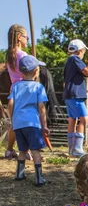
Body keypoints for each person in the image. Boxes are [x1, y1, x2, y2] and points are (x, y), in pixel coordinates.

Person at [8, 55, 48, 186]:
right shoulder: (38, 87)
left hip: (18, 123)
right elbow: (41, 108)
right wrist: (44, 125)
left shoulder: (16, 87)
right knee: (35, 150)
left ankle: (19, 174)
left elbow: (10, 103)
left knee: (22, 150)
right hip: (32, 123)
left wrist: (12, 118)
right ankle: (39, 178)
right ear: (36, 71)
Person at [63, 39, 88, 157]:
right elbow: (87, 72)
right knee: (84, 119)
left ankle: (71, 148)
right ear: (80, 50)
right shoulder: (75, 59)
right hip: (75, 94)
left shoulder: (68, 61)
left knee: (72, 119)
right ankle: (77, 148)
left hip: (68, 94)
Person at [5, 24, 30, 159]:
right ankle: (25, 150)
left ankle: (9, 150)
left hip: (13, 90)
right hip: (24, 91)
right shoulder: (22, 55)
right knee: (26, 121)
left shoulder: (10, 55)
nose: (28, 40)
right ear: (20, 38)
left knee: (15, 122)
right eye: (26, 37)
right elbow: (28, 72)